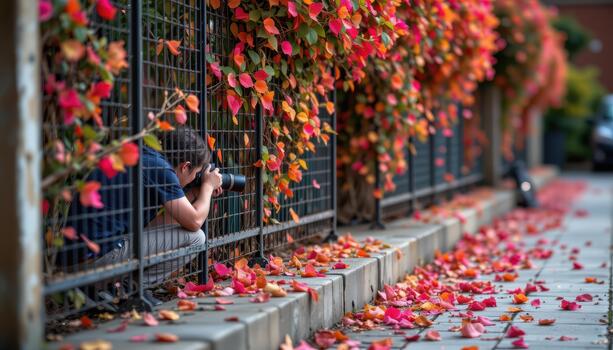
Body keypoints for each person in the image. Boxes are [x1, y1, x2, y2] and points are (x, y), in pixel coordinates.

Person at [66, 126, 222, 305]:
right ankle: (125, 291)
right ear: (185, 166)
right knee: (197, 238)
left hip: (78, 258)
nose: (194, 179)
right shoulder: (160, 169)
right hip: (94, 259)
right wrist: (207, 187)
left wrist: (195, 194)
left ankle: (105, 289)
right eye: (195, 174)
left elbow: (156, 227)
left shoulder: (146, 158)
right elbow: (194, 222)